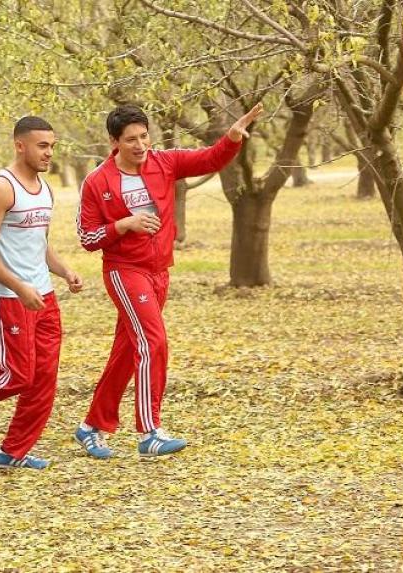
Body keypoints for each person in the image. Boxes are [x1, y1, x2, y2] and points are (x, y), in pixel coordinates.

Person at [74, 102, 263, 458]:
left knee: (128, 351)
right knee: (153, 342)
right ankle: (150, 431)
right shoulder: (98, 182)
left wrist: (233, 138)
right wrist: (123, 225)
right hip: (124, 272)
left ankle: (91, 427)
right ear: (114, 141)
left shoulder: (165, 162)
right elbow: (87, 238)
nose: (140, 145)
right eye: (131, 139)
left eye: (144, 136)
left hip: (159, 271)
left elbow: (209, 159)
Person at [0, 116, 83, 470]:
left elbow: (39, 243)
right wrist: (19, 287)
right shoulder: (1, 187)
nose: (49, 153)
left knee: (44, 379)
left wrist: (65, 270)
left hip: (44, 297)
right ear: (20, 145)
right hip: (11, 299)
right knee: (17, 376)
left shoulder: (45, 188)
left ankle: (13, 451)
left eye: (52, 146)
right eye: (42, 146)